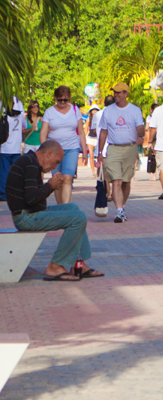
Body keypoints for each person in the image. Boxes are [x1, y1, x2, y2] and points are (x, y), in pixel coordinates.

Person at [5, 140, 104, 281]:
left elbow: (33, 200)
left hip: (31, 213)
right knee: (79, 217)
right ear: (48, 154)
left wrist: (49, 187)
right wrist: (50, 186)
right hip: (25, 218)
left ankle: (78, 263)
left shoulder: (30, 161)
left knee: (73, 208)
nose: (55, 167)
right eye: (56, 162)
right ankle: (55, 265)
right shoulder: (30, 163)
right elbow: (31, 199)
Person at [95, 83, 144, 223]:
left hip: (130, 148)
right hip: (113, 148)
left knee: (126, 182)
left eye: (118, 92)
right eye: (114, 92)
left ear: (125, 94)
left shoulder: (134, 110)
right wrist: (100, 151)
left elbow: (140, 127)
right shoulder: (108, 111)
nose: (115, 95)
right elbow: (103, 131)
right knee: (116, 180)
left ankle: (122, 206)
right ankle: (119, 211)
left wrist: (141, 135)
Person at [40, 86, 88, 204]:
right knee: (57, 179)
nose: (62, 102)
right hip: (54, 151)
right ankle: (60, 206)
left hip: (72, 148)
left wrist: (84, 151)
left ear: (69, 99)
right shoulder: (49, 112)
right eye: (60, 99)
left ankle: (65, 207)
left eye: (65, 100)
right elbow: (43, 132)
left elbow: (81, 132)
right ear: (55, 98)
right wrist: (45, 151)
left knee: (67, 178)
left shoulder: (75, 110)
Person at [0, 100, 26, 201]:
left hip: (5, 147)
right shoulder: (19, 109)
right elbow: (25, 125)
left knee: (4, 172)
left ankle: (3, 194)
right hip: (16, 147)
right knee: (17, 172)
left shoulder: (3, 111)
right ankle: (16, 193)